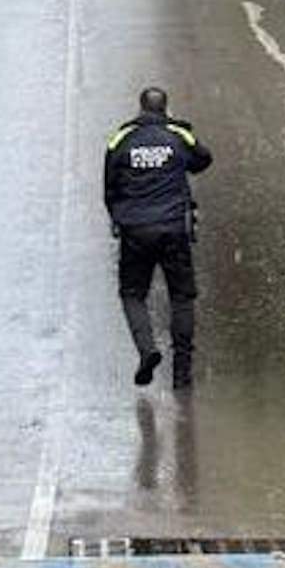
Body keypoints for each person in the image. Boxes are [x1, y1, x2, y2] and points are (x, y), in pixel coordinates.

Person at [102, 84, 212, 389]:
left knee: (133, 294)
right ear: (166, 108)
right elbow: (203, 160)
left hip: (135, 231)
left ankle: (147, 350)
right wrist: (180, 130)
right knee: (182, 297)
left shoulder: (120, 139)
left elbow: (109, 188)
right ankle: (182, 374)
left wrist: (119, 219)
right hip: (173, 229)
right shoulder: (177, 135)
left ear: (140, 108)